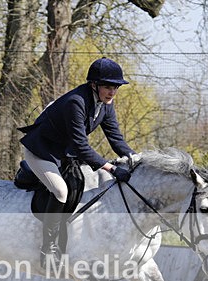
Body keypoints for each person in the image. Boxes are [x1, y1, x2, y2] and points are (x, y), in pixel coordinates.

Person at [18, 57, 139, 268]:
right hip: (42, 152)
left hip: (65, 153)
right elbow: (82, 147)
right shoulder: (77, 102)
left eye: (116, 87)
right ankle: (48, 249)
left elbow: (116, 139)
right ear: (94, 84)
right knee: (61, 192)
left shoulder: (105, 105)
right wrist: (111, 168)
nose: (112, 92)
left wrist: (136, 159)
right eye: (108, 87)